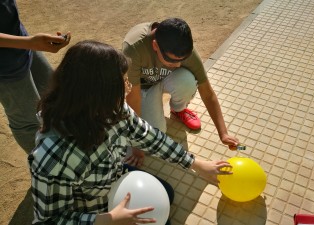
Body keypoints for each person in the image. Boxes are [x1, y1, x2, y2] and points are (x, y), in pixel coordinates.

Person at [29, 40, 232, 224]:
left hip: (112, 179)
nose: (128, 88)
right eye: (123, 82)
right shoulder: (53, 157)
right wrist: (106, 220)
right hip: (91, 211)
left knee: (167, 194)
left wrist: (195, 163)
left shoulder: (112, 109)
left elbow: (148, 136)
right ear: (99, 93)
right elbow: (49, 220)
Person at [122, 18, 240, 167]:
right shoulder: (134, 49)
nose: (178, 65)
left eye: (182, 60)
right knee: (153, 136)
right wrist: (136, 145)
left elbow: (207, 93)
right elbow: (133, 98)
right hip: (143, 88)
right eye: (172, 61)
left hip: (164, 79)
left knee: (187, 81)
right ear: (155, 45)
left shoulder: (182, 48)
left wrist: (223, 133)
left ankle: (178, 110)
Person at [0, 0, 71, 153]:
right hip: (5, 68)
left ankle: (68, 149)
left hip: (23, 42)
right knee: (28, 122)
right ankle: (47, 169)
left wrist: (28, 42)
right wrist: (29, 42)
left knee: (56, 95)